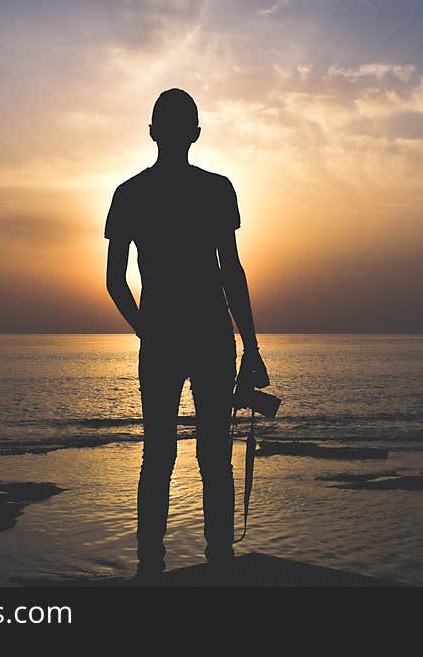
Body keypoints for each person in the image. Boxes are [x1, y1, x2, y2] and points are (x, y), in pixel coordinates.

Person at [105, 88, 270, 581]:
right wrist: (252, 347)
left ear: (154, 132)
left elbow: (115, 282)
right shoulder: (217, 189)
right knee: (214, 457)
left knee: (157, 456)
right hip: (213, 338)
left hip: (165, 340)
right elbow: (232, 272)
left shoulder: (129, 193)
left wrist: (146, 333)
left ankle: (149, 571)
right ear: (195, 134)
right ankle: (219, 563)